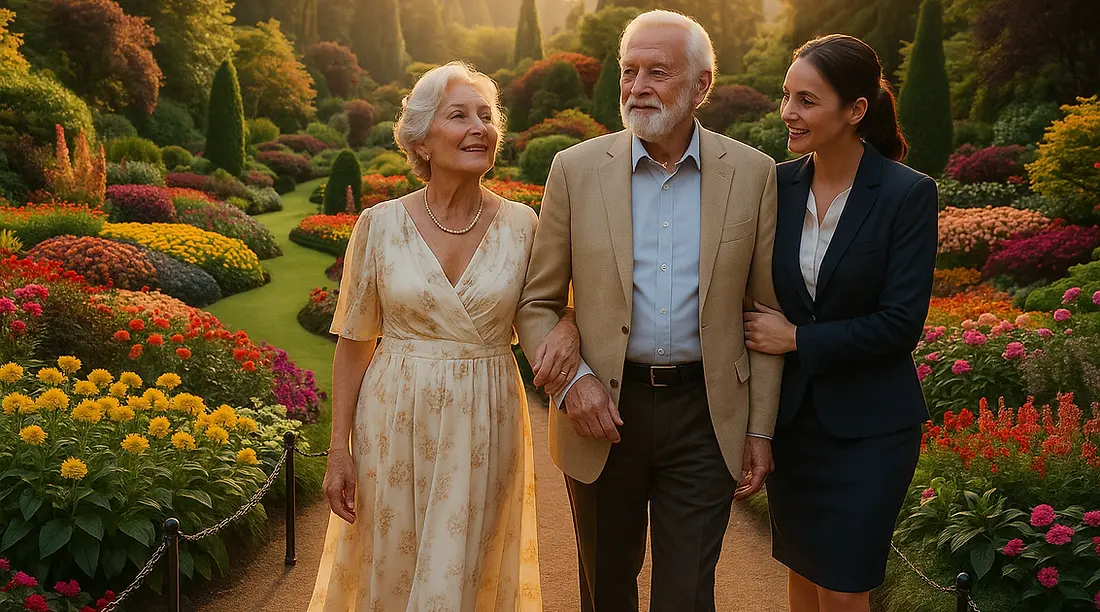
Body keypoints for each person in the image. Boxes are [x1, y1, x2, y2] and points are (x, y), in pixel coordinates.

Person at [515, 10, 784, 611]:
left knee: (686, 595)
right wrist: (574, 384)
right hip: (601, 412)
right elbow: (537, 302)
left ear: (702, 85)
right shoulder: (575, 169)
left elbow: (764, 313)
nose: (637, 87)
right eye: (629, 70)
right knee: (606, 588)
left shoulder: (754, 174)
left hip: (706, 414)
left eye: (657, 72)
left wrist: (760, 428)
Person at [307, 61, 580, 612]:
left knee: (468, 568)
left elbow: (559, 310)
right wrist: (340, 451)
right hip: (393, 417)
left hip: (488, 414)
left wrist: (570, 329)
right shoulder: (379, 225)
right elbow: (355, 342)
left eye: (487, 116)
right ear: (422, 140)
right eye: (459, 115)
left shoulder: (524, 225)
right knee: (393, 564)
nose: (479, 127)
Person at [742, 34, 938, 612]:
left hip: (872, 428)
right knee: (803, 575)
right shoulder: (773, 186)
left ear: (856, 111)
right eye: (786, 96)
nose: (788, 113)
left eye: (806, 100)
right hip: (794, 425)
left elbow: (901, 324)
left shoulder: (907, 194)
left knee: (844, 586)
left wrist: (796, 339)